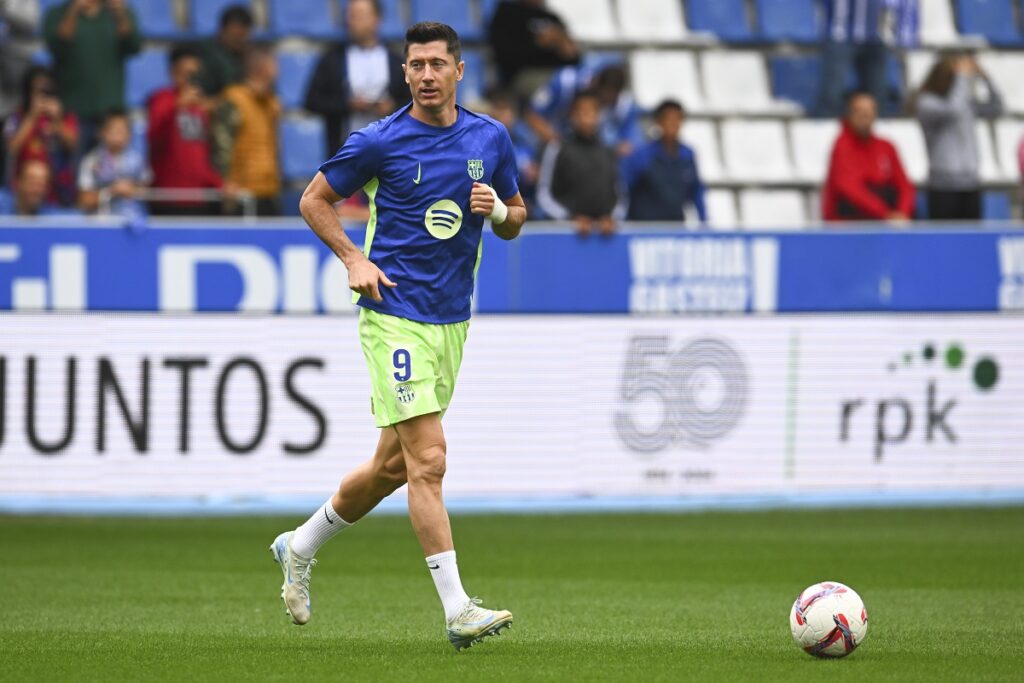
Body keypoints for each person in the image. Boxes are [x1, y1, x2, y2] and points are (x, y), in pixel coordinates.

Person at [278, 22, 526, 650]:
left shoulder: (489, 137)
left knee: (392, 467)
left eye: (437, 63)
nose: (425, 75)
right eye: (415, 64)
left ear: (458, 71)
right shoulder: (380, 140)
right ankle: (457, 609)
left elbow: (517, 219)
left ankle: (299, 546)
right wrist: (352, 260)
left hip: (451, 322)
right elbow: (313, 200)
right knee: (430, 460)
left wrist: (496, 210)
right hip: (392, 313)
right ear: (405, 71)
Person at [304, 0, 409, 157]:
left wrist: (392, 107)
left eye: (359, 15)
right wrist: (347, 105)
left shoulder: (396, 61)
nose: (351, 20)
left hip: (389, 151)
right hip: (343, 152)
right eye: (350, 15)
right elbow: (312, 101)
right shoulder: (332, 58)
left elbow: (412, 102)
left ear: (377, 19)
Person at [910, 54, 1002, 221]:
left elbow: (996, 108)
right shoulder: (926, 103)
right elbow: (953, 110)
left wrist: (985, 78)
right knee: (944, 240)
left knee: (971, 239)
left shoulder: (965, 101)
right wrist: (962, 77)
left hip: (971, 182)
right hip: (943, 186)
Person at [43, 0, 141, 154]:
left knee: (110, 172)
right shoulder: (57, 13)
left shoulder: (117, 12)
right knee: (73, 170)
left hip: (109, 114)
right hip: (72, 112)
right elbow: (57, 47)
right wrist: (73, 11)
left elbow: (134, 46)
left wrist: (121, 16)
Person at [148, 44, 225, 215]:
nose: (190, 79)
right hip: (168, 198)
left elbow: (200, 157)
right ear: (173, 72)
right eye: (186, 73)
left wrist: (219, 184)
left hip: (200, 199)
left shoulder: (200, 109)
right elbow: (154, 138)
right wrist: (177, 106)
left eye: (195, 74)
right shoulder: (162, 100)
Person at [536, 89, 622, 236]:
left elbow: (620, 194)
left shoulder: (608, 152)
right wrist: (570, 219)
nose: (586, 117)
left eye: (592, 111)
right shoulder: (557, 149)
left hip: (605, 235)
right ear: (572, 116)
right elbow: (544, 195)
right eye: (581, 112)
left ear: (599, 115)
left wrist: (611, 218)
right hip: (568, 235)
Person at [823, 91, 915, 222]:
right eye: (859, 111)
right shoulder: (842, 146)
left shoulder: (887, 146)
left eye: (868, 111)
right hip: (850, 224)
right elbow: (848, 188)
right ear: (849, 114)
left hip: (884, 221)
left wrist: (902, 213)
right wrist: (886, 215)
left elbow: (904, 185)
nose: (864, 116)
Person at [816, 0, 918, 118]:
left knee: (879, 94)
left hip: (874, 37)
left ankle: (879, 131)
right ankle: (823, 130)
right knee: (831, 93)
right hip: (839, 35)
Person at [212, 47, 281, 216]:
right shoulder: (234, 99)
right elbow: (222, 143)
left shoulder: (271, 103)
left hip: (269, 189)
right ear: (263, 68)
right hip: (242, 191)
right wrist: (226, 181)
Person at [526, 63, 643, 156]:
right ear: (595, 83)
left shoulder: (625, 106)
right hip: (548, 140)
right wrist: (559, 145)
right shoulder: (564, 82)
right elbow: (532, 115)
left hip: (591, 150)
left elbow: (628, 145)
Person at [3, 65, 78, 207]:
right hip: (25, 190)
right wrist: (32, 116)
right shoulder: (17, 117)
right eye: (37, 90)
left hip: (57, 190)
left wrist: (57, 121)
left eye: (46, 90)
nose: (42, 95)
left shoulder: (65, 116)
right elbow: (12, 148)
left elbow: (72, 145)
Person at [622, 99, 706, 224]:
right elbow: (626, 189)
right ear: (659, 122)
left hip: (674, 229)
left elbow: (696, 191)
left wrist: (704, 222)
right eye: (669, 119)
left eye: (677, 119)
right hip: (643, 228)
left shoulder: (688, 155)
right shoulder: (642, 155)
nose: (673, 124)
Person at [488, 0, 580, 97]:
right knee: (562, 84)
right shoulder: (507, 13)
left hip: (558, 73)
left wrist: (562, 45)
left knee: (579, 81)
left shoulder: (552, 17)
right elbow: (504, 53)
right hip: (523, 76)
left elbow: (574, 57)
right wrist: (538, 45)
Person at [77, 108, 148, 216]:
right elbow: (84, 200)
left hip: (133, 222)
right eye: (114, 129)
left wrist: (134, 190)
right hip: (101, 223)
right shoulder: (92, 160)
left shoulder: (138, 159)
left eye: (123, 129)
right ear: (102, 133)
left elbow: (147, 190)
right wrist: (112, 191)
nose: (119, 134)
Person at [487, 90, 538, 209]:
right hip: (495, 204)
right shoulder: (486, 144)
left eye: (506, 112)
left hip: (525, 203)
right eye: (499, 112)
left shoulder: (526, 141)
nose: (503, 118)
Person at [198, 4, 253, 97]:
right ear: (222, 30)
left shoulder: (250, 56)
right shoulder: (205, 53)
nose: (239, 40)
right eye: (235, 36)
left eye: (243, 36)